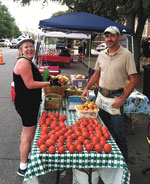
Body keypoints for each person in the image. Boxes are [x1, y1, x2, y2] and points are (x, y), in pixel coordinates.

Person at [81, 26, 138, 163]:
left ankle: (124, 159)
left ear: (118, 37)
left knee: (118, 131)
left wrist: (123, 99)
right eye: (107, 36)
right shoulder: (101, 54)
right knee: (102, 128)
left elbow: (134, 79)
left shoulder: (126, 55)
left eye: (112, 36)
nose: (109, 39)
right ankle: (106, 157)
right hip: (101, 96)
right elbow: (96, 73)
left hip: (116, 98)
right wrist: (86, 88)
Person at [13, 38, 50, 177]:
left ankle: (27, 158)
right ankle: (23, 167)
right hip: (26, 104)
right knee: (28, 135)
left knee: (27, 133)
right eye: (26, 47)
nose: (29, 49)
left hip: (28, 103)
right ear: (21, 50)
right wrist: (48, 83)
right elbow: (29, 84)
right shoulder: (23, 62)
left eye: (31, 46)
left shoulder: (27, 61)